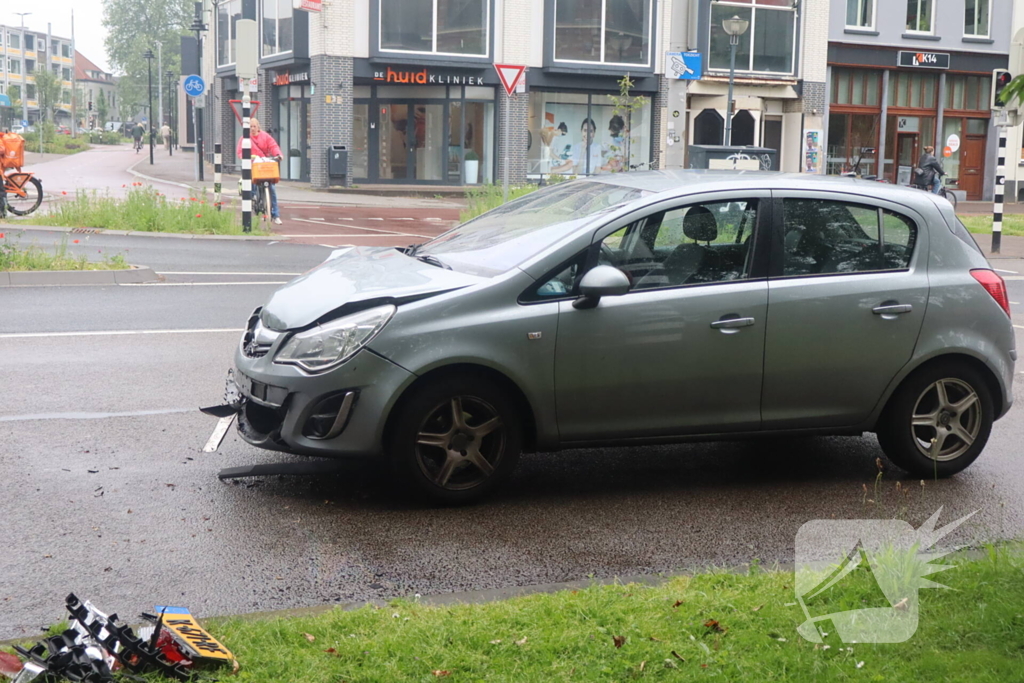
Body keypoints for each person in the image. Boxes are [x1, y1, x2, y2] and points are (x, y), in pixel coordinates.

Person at [237, 119, 283, 225]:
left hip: (264, 164)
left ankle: (275, 214)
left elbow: (273, 146)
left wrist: (278, 155)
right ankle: (252, 200)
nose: (252, 129)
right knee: (251, 183)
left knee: (271, 188)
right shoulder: (244, 138)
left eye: (254, 126)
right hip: (252, 164)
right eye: (250, 127)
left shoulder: (265, 136)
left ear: (258, 127)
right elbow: (240, 151)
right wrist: (244, 157)